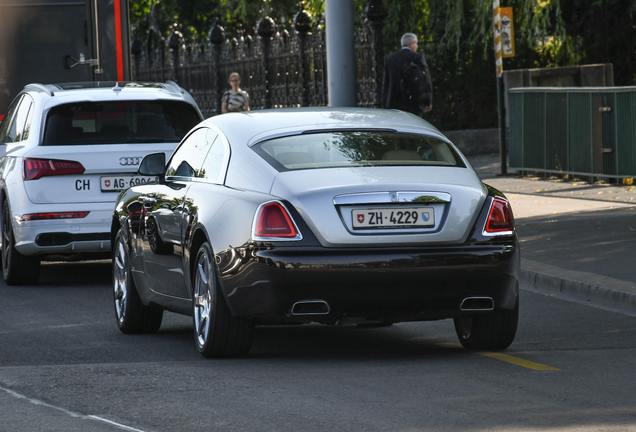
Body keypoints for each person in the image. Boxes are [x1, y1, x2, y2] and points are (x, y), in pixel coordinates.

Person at [382, 33, 433, 117]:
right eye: (416, 43)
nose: (417, 46)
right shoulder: (417, 57)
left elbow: (386, 82)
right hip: (414, 101)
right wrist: (428, 101)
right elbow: (426, 80)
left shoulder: (390, 58)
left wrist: (385, 102)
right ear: (411, 44)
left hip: (394, 102)